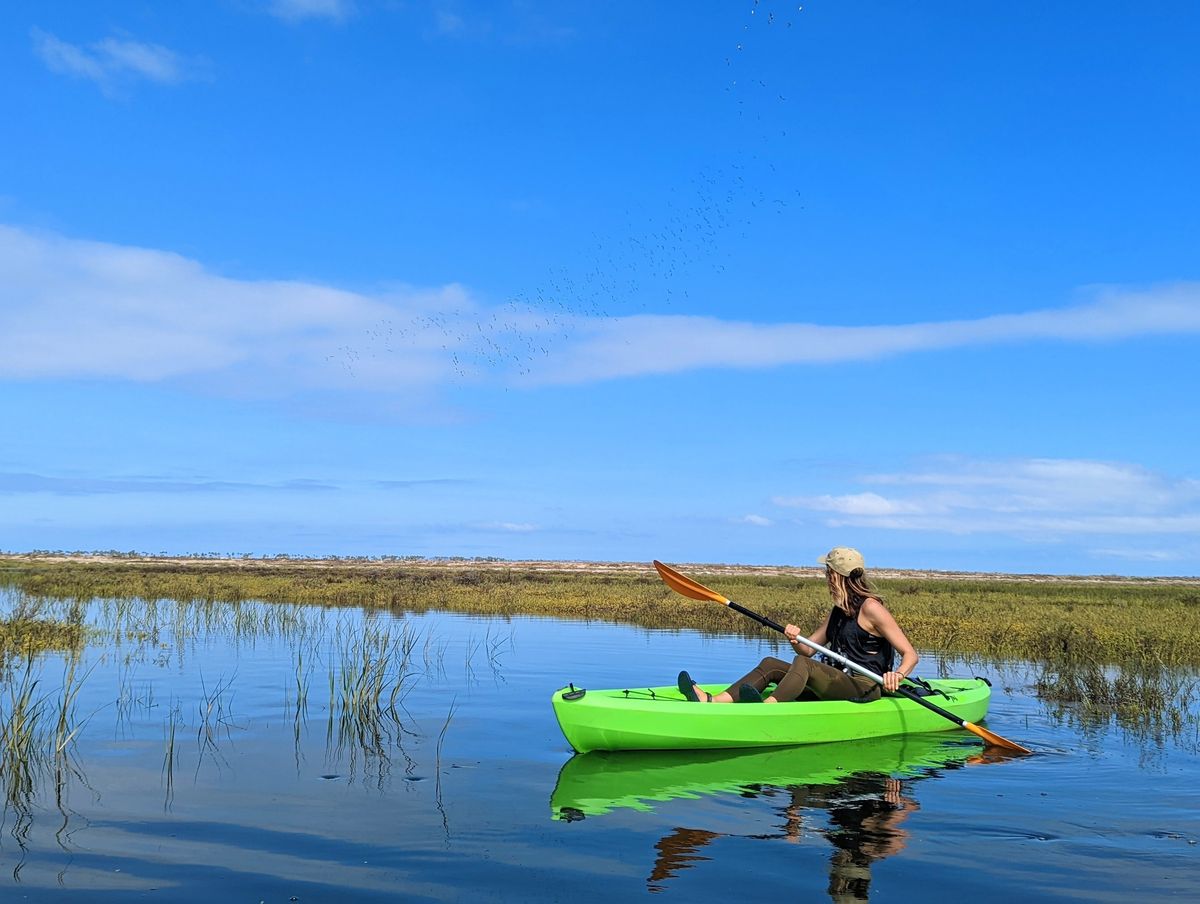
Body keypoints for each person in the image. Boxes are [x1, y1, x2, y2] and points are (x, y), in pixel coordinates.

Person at [678, 546, 918, 704]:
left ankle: (767, 709)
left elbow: (911, 655)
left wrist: (897, 675)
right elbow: (808, 650)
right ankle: (713, 701)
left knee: (805, 666)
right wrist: (794, 639)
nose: (826, 576)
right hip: (837, 680)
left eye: (827, 571)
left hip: (865, 686)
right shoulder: (839, 611)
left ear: (834, 575)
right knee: (771, 663)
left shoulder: (871, 608)